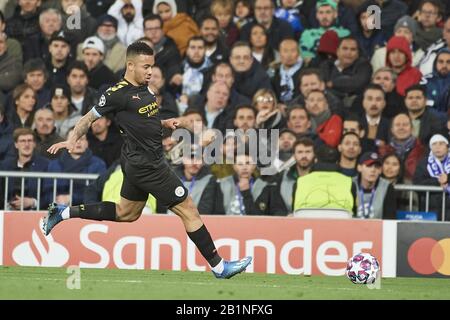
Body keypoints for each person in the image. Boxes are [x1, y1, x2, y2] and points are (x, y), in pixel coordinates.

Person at [44, 41, 252, 279]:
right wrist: (71, 141)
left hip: (137, 163)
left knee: (127, 214)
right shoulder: (117, 94)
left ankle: (62, 213)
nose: (150, 71)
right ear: (130, 65)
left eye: (152, 66)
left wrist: (165, 123)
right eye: (145, 66)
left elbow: (144, 123)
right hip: (148, 165)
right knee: (188, 209)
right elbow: (88, 118)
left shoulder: (147, 90)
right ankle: (219, 266)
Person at [354, 152, 397, 219]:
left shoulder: (387, 187)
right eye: (369, 166)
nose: (373, 170)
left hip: (378, 228)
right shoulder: (351, 184)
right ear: (359, 168)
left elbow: (390, 219)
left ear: (380, 170)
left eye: (377, 167)